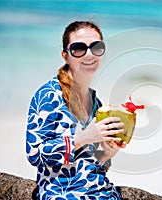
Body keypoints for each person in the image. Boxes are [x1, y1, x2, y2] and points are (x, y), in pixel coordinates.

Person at [26, 21, 126, 200]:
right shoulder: (48, 95)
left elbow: (90, 165)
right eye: (79, 48)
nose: (89, 54)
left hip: (102, 193)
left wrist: (108, 154)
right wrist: (85, 137)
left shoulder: (96, 102)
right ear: (65, 56)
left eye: (96, 47)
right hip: (62, 195)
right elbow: (35, 154)